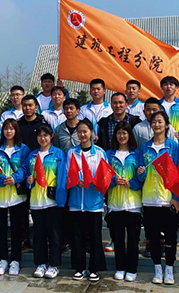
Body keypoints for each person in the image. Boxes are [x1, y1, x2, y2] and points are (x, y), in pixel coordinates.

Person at [137, 111, 179, 285]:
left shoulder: (173, 147)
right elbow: (140, 177)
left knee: (170, 237)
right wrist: (141, 173)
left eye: (160, 122)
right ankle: (157, 268)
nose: (157, 125)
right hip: (149, 199)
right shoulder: (144, 148)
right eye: (154, 122)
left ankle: (169, 269)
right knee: (152, 237)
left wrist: (176, 197)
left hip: (167, 199)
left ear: (166, 125)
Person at [64, 119, 107, 282]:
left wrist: (93, 180)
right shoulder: (71, 152)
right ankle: (79, 267)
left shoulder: (100, 153)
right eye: (79, 132)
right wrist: (76, 180)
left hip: (94, 202)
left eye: (85, 131)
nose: (82, 134)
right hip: (76, 202)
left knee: (95, 237)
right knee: (77, 237)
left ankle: (94, 269)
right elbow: (67, 173)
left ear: (91, 133)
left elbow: (105, 175)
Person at [0, 119, 31, 275]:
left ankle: (15, 260)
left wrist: (15, 178)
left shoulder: (23, 149)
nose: (9, 131)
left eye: (11, 129)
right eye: (6, 129)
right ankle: (2, 259)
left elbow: (26, 168)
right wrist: (2, 179)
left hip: (16, 196)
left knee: (16, 229)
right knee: (1, 229)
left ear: (16, 131)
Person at [27, 123, 67, 279]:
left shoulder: (58, 154)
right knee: (38, 235)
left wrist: (61, 198)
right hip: (36, 200)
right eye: (40, 136)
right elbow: (27, 175)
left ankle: (54, 265)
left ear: (51, 136)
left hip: (53, 201)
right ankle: (41, 263)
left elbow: (62, 176)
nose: (42, 138)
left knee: (54, 235)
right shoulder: (32, 155)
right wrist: (29, 180)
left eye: (45, 135)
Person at [105, 122, 141, 282]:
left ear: (129, 135)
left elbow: (142, 178)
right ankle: (120, 267)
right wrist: (114, 180)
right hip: (115, 204)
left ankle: (132, 269)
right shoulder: (109, 154)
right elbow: (104, 177)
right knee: (118, 238)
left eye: (124, 133)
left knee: (133, 239)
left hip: (133, 204)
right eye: (119, 133)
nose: (122, 136)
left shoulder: (137, 154)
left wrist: (131, 183)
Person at [159, 76, 179, 146]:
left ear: (176, 87)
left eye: (171, 84)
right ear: (162, 87)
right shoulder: (158, 105)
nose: (168, 87)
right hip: (160, 142)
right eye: (165, 84)